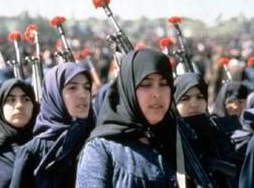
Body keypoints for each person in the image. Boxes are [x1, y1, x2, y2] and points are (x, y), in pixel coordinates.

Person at [76, 49, 178, 187]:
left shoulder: (180, 138)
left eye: (164, 84)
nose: (157, 94)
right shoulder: (102, 149)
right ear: (128, 89)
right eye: (146, 84)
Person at [9, 62, 95, 188]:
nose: (83, 95)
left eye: (87, 88)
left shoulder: (97, 141)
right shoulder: (31, 152)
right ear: (54, 94)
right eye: (72, 88)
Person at [174, 72, 237, 187]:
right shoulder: (170, 137)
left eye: (200, 97)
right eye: (185, 99)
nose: (194, 104)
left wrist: (217, 165)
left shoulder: (217, 129)